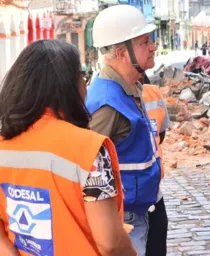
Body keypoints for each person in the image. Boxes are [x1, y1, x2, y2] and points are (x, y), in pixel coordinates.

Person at [0, 40, 136, 256]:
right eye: (82, 77)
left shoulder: (4, 144)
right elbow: (110, 244)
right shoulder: (90, 150)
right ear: (68, 86)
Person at [85, 5, 163, 256]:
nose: (153, 47)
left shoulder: (132, 88)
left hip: (145, 209)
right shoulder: (106, 104)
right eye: (144, 42)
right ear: (122, 53)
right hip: (126, 219)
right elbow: (86, 173)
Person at [140, 74, 170, 256]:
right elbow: (162, 134)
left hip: (144, 191)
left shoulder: (102, 93)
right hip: (151, 188)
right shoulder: (154, 93)